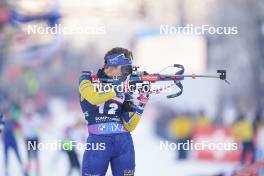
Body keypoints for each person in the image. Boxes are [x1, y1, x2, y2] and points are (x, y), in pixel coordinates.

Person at [79, 47, 149, 176]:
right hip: (98, 141)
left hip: (123, 142)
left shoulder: (124, 88)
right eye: (125, 69)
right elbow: (94, 98)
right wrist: (118, 89)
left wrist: (142, 104)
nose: (126, 74)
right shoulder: (87, 79)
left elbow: (129, 125)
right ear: (112, 64)